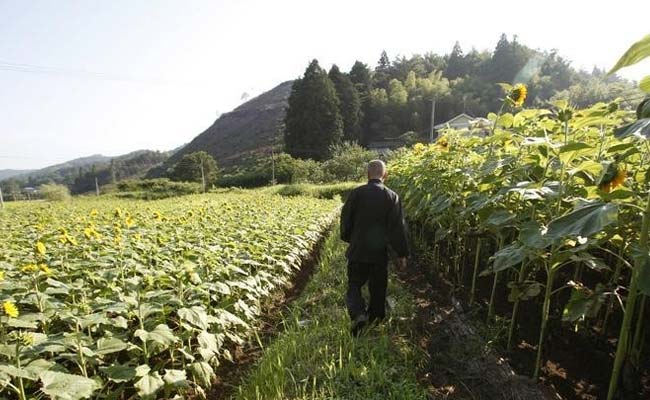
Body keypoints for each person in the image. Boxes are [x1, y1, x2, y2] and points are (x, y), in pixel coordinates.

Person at [340, 159, 408, 336]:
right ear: (385, 175)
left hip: (358, 250)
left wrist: (349, 238)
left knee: (354, 285)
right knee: (378, 287)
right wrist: (401, 254)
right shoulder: (392, 196)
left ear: (367, 174)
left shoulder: (356, 194)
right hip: (379, 253)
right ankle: (376, 319)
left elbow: (345, 221)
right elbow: (397, 228)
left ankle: (358, 314)